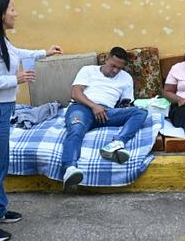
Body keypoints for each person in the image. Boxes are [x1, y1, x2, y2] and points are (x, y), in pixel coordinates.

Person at [0, 0, 62, 241]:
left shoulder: (1, 40)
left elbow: (18, 53)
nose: (16, 13)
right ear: (0, 15)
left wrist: (44, 52)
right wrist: (15, 79)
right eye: (12, 9)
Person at [61, 47, 148, 191]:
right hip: (82, 108)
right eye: (113, 66)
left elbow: (125, 102)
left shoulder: (126, 78)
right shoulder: (88, 70)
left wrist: (124, 108)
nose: (115, 71)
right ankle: (69, 169)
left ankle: (116, 144)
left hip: (106, 113)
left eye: (119, 68)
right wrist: (94, 106)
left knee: (140, 113)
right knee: (76, 129)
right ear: (107, 59)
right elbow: (76, 93)